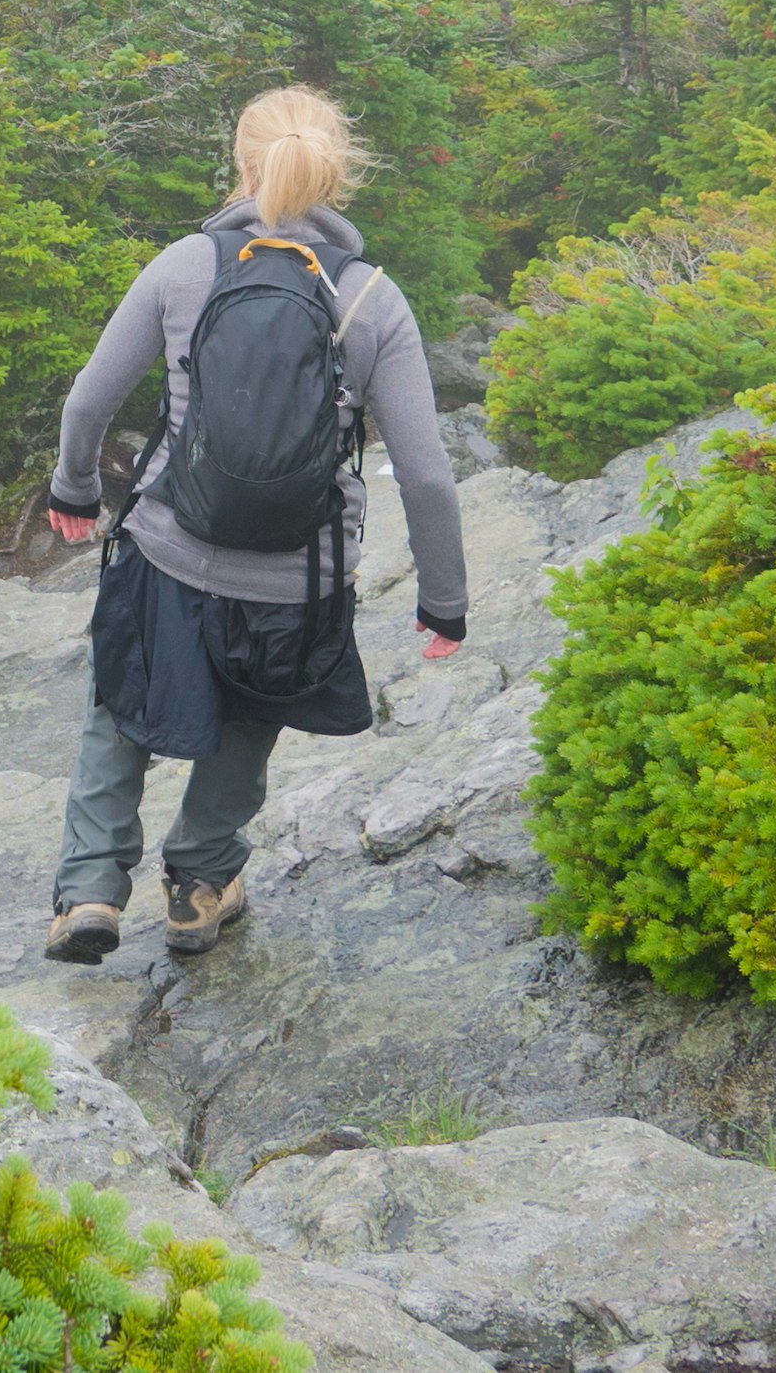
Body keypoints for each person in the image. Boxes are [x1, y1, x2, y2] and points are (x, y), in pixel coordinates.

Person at [41, 84, 468, 963]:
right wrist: (444, 602)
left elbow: (89, 401)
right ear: (338, 174)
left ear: (241, 162)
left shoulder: (186, 265)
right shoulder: (371, 298)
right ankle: (199, 884)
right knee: (247, 719)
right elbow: (425, 472)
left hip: (168, 550)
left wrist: (75, 489)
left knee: (123, 701)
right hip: (296, 576)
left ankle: (88, 890)